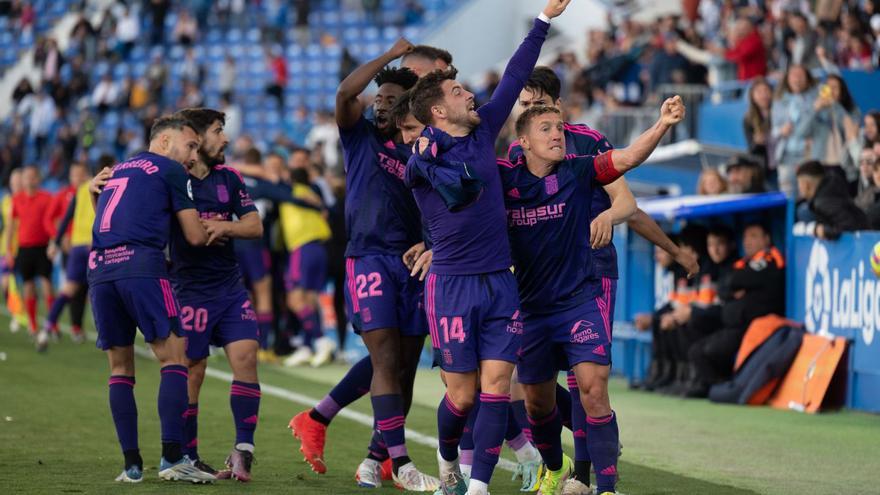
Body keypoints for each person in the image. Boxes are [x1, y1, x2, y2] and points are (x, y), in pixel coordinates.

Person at [507, 65, 697, 494]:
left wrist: (662, 125)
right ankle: (558, 466)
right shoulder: (508, 170)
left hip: (587, 281)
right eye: (527, 108)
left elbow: (627, 181)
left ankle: (597, 482)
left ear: (557, 106)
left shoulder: (581, 159)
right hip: (533, 301)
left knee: (589, 384)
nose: (551, 130)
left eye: (543, 109)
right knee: (535, 400)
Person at [405, 3, 571, 493]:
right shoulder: (420, 162)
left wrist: (543, 18)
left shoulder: (482, 130)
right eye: (458, 91)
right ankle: (446, 453)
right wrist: (428, 148)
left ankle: (478, 487)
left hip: (501, 280)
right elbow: (451, 190)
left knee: (498, 387)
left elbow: (517, 74)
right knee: (462, 396)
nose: (470, 93)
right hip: (452, 287)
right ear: (439, 110)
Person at [290, 38, 438, 491]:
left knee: (406, 365)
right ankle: (402, 461)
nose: (380, 106)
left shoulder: (421, 150)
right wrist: (388, 58)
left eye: (390, 100)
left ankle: (369, 454)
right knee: (385, 357)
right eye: (378, 98)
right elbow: (342, 95)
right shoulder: (360, 137)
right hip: (369, 257)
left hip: (413, 262)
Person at [87, 115, 215, 483]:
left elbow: (109, 215)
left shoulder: (120, 168)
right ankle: (173, 458)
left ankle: (130, 466)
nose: (194, 154)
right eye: (190, 145)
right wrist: (224, 227)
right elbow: (193, 235)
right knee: (176, 358)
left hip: (101, 268)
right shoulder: (170, 170)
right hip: (141, 266)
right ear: (163, 142)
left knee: (120, 368)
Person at [171, 108, 264, 481]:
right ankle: (189, 456)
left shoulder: (230, 178)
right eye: (217, 131)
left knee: (246, 355)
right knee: (194, 371)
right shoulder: (174, 179)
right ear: (197, 138)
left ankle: (243, 450)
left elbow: (254, 225)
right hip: (189, 290)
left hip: (228, 288)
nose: (224, 138)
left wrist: (222, 226)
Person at [687, 223, 785, 396]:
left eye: (754, 236)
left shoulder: (770, 258)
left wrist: (736, 287)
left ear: (767, 239)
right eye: (746, 237)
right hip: (733, 323)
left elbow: (737, 280)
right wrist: (735, 289)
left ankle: (722, 389)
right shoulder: (744, 262)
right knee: (696, 349)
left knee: (707, 350)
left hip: (752, 325)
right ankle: (712, 386)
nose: (748, 241)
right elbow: (726, 286)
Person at [4, 166, 55, 349]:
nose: (30, 180)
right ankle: (33, 324)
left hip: (42, 247)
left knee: (47, 284)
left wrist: (53, 242)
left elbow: (53, 220)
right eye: (27, 177)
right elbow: (11, 226)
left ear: (38, 179)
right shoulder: (16, 200)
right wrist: (9, 249)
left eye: (33, 177)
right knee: (28, 285)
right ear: (23, 180)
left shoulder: (47, 197)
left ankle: (51, 324)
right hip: (24, 248)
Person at [44, 162, 92, 343]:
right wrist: (57, 241)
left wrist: (55, 242)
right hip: (85, 246)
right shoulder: (91, 188)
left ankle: (51, 325)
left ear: (86, 174)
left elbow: (66, 218)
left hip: (79, 246)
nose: (77, 178)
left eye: (80, 174)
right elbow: (60, 219)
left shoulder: (80, 191)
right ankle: (53, 324)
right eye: (74, 175)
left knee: (75, 289)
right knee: (80, 288)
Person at [794, 160, 867, 239]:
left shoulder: (824, 202)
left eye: (799, 183)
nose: (799, 188)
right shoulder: (830, 189)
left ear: (807, 185)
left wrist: (821, 231)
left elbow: (848, 225)